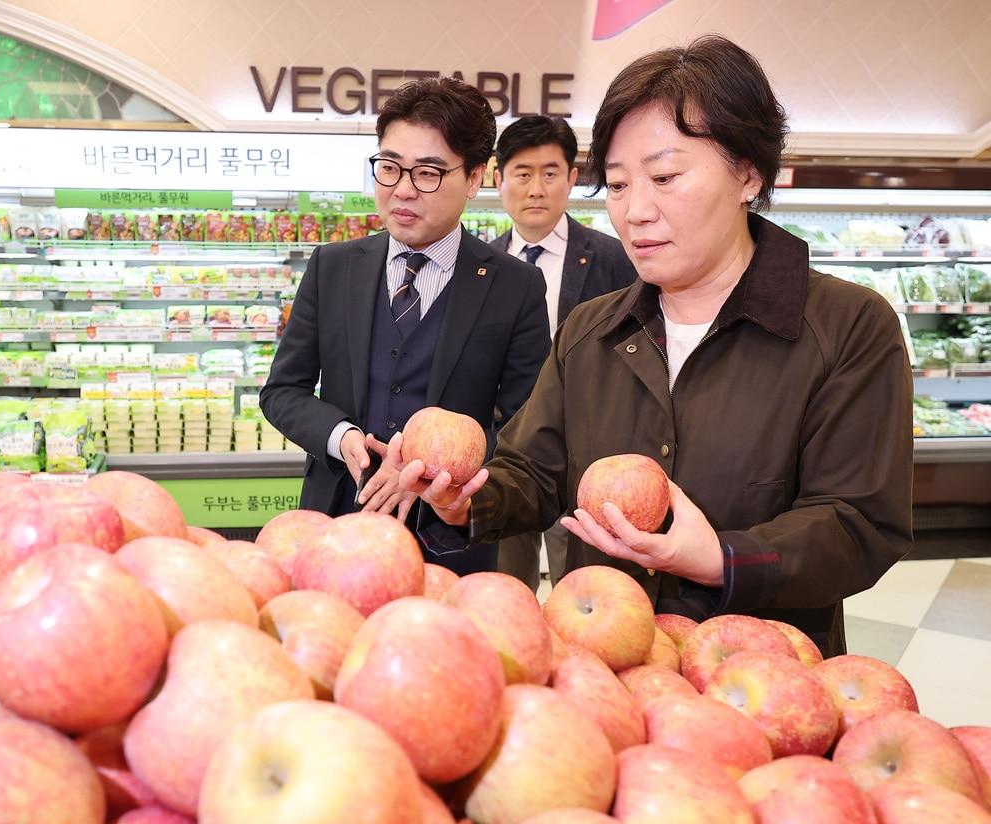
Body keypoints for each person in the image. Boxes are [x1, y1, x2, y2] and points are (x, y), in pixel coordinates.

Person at [377, 35, 913, 655]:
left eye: (664, 177)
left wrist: (720, 557)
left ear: (748, 173)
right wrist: (466, 499)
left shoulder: (848, 327)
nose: (635, 212)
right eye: (619, 184)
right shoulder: (591, 329)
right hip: (603, 664)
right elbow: (533, 470)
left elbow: (860, 522)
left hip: (764, 669)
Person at [260, 77, 550, 575]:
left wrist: (437, 468)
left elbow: (528, 424)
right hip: (337, 523)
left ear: (476, 177)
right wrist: (341, 435)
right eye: (389, 168)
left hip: (450, 535)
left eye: (429, 174)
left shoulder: (514, 285)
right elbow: (283, 391)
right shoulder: (333, 267)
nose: (402, 190)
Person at [489, 115, 637, 592]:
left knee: (583, 591)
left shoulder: (616, 259)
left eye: (550, 173)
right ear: (498, 180)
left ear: (572, 179)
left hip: (584, 457)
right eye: (522, 173)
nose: (536, 188)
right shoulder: (479, 266)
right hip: (502, 457)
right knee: (506, 588)